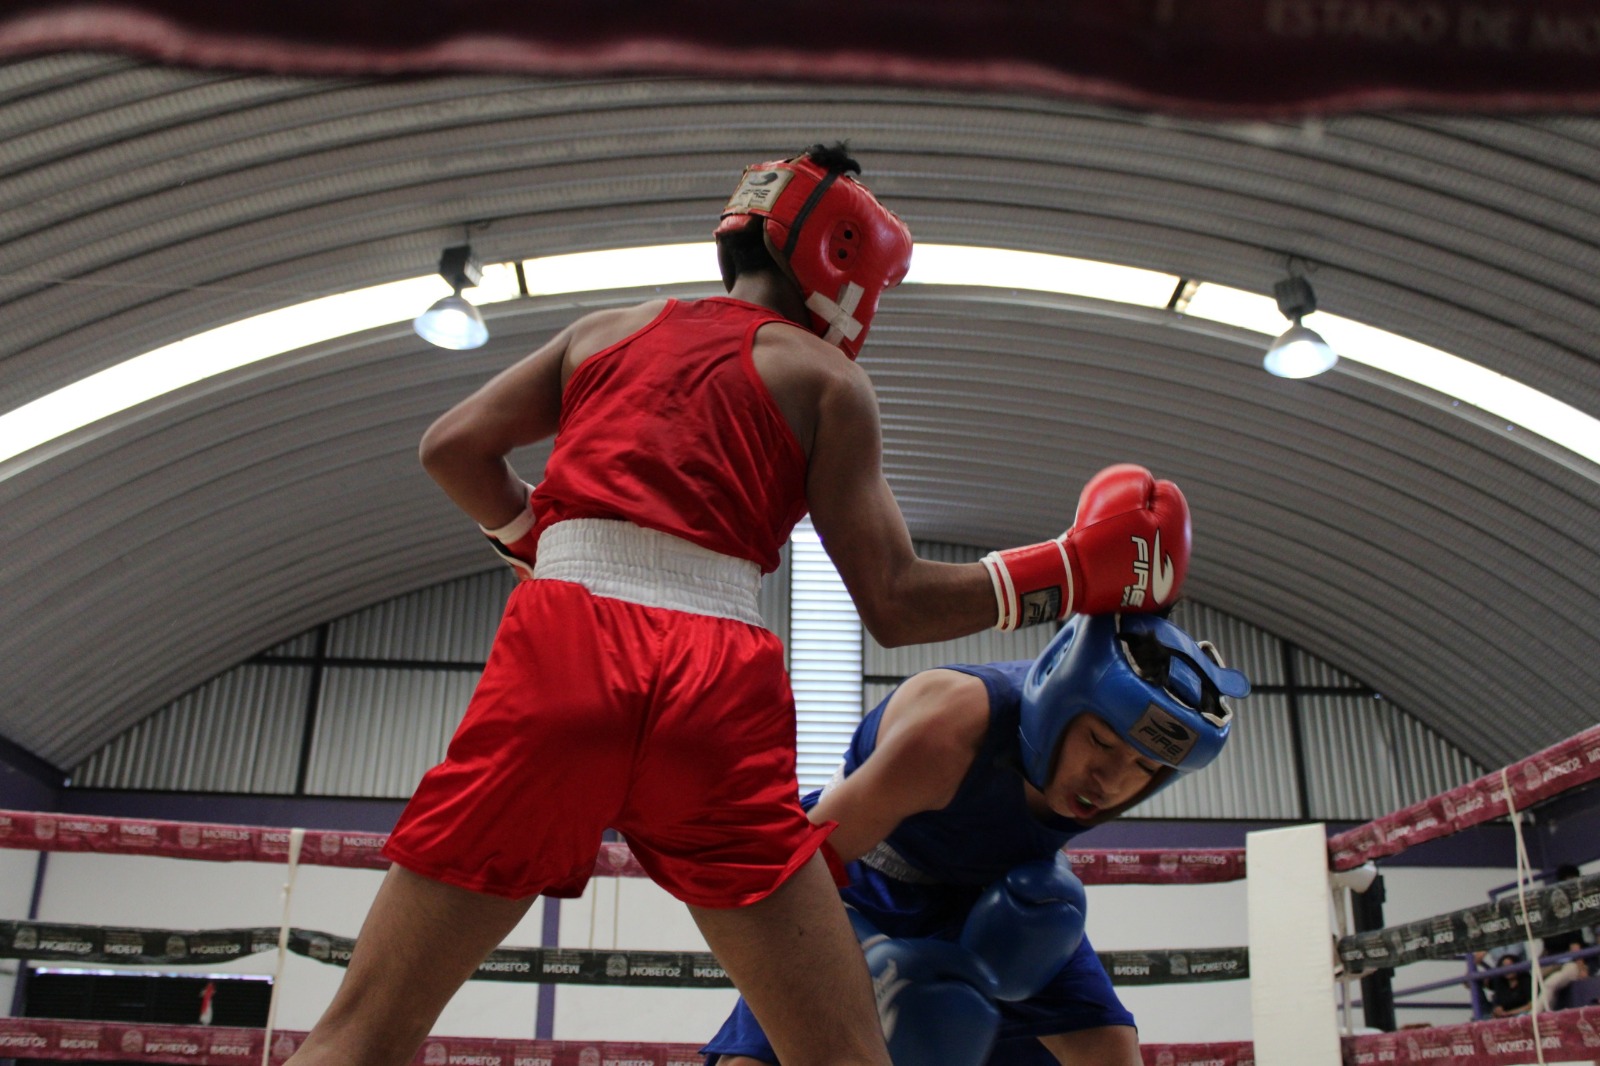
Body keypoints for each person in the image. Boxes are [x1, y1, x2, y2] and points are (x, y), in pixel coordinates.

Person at [283, 143, 1194, 1066]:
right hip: (715, 686)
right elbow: (896, 602)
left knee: (364, 1032)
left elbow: (453, 449)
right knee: (842, 1055)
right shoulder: (825, 379)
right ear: (846, 263)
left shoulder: (604, 333)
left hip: (560, 653)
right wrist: (1071, 571)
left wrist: (541, 550)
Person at [704, 610, 1250, 1066]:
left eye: (1143, 766)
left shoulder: (1101, 772)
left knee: (1106, 1042)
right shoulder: (949, 732)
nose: (1110, 780)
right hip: (855, 871)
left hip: (984, 892)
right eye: (1102, 743)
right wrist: (874, 959)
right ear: (1059, 701)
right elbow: (799, 874)